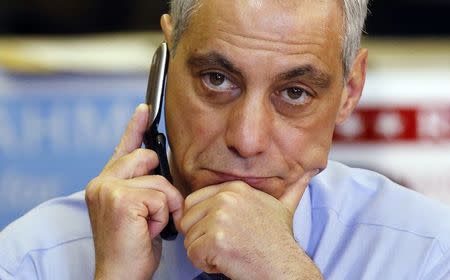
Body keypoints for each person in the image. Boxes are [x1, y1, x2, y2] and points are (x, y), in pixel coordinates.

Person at [1, 0, 450, 279]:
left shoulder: (428, 252)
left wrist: (284, 274)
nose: (247, 140)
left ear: (349, 92)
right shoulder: (30, 260)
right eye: (217, 80)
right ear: (165, 63)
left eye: (295, 93)